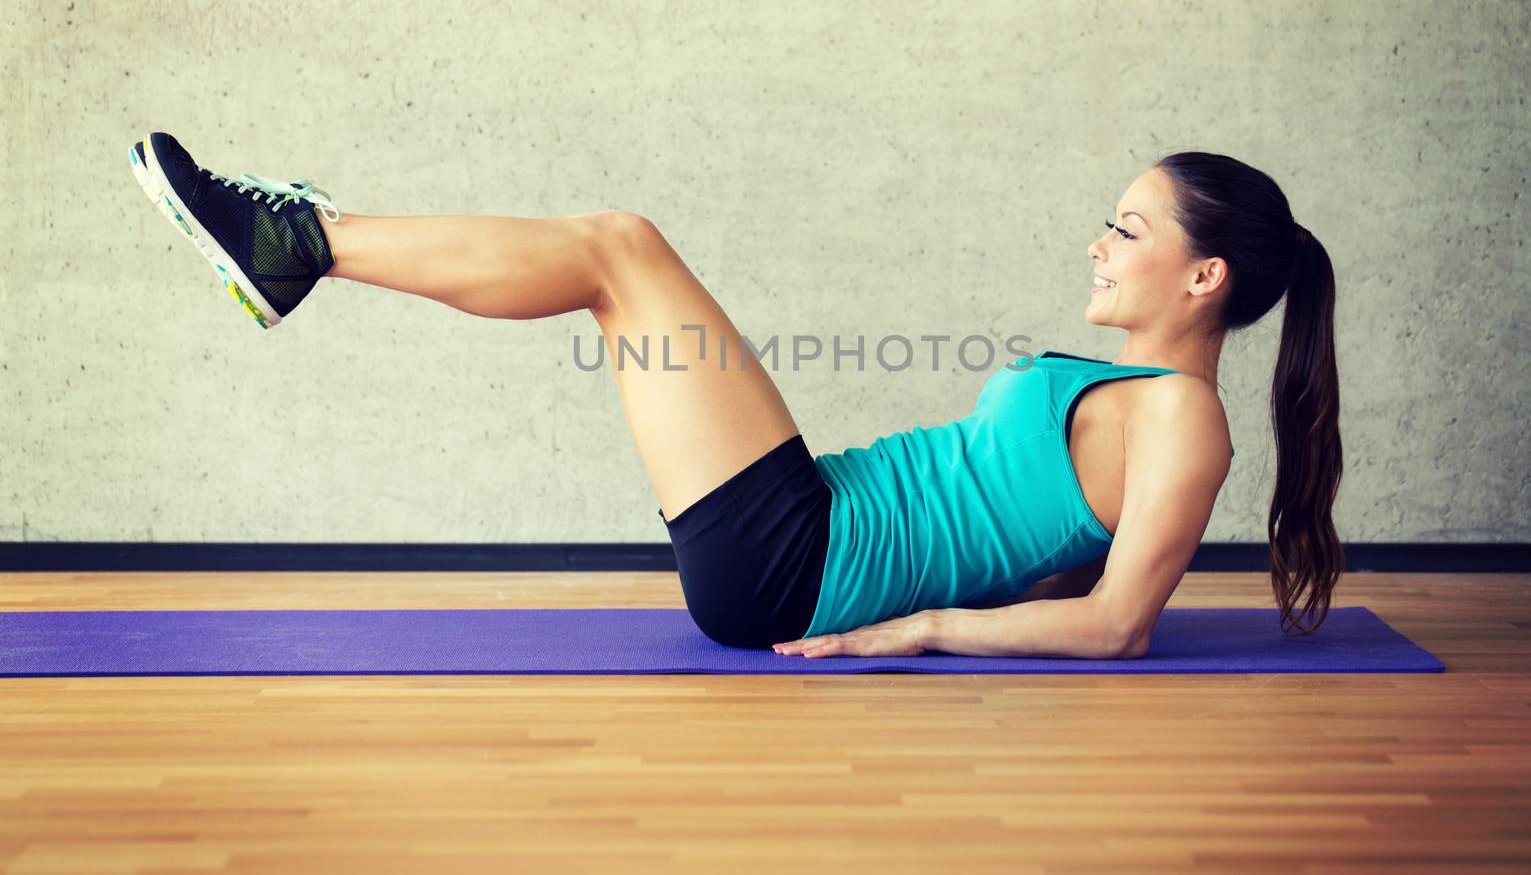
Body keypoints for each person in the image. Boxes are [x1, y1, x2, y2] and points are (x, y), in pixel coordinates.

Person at [128, 133, 1343, 658]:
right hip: (810, 524)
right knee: (615, 268)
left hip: (801, 564)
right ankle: (298, 243)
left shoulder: (1186, 419)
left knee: (618, 250)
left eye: (1125, 230)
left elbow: (1116, 624)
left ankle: (298, 240)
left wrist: (916, 629)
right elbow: (1050, 562)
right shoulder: (1138, 392)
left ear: (1203, 275)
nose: (1097, 244)